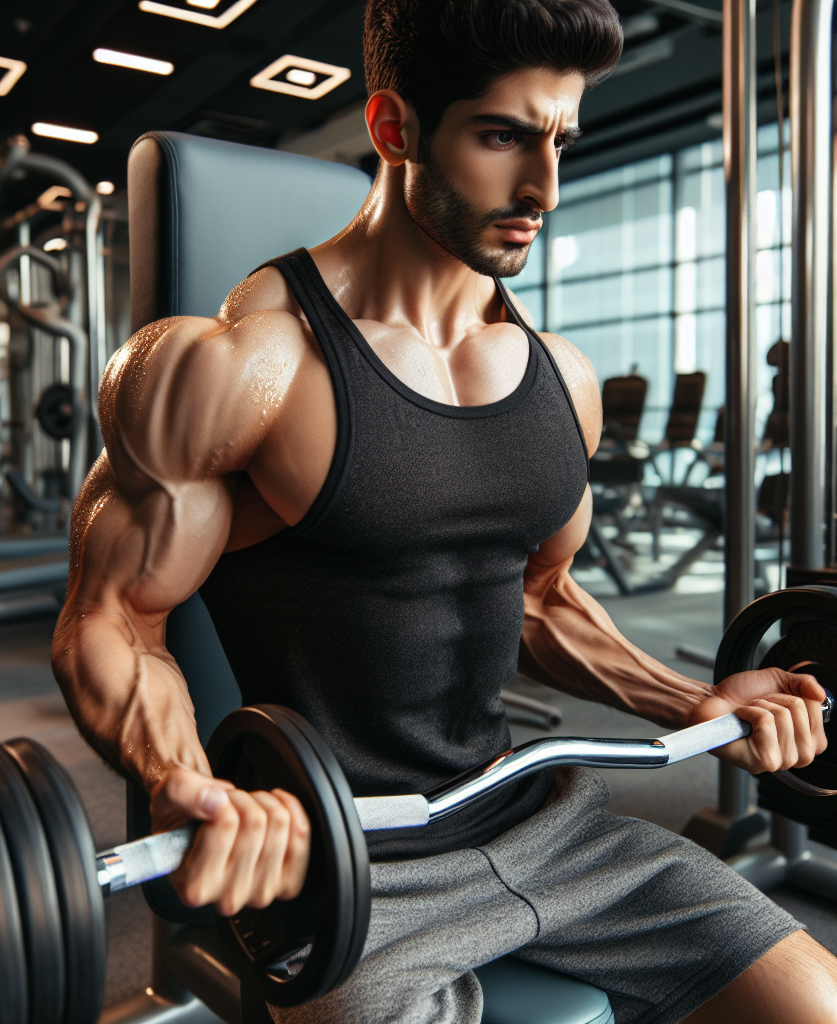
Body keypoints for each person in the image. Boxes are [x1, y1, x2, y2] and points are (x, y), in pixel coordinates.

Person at [53, 1, 837, 1020]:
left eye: (560, 142)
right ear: (394, 128)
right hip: (347, 867)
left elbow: (542, 600)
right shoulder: (247, 367)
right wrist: (182, 780)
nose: (544, 188)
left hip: (549, 820)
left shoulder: (561, 377)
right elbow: (114, 618)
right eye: (503, 137)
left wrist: (693, 702)